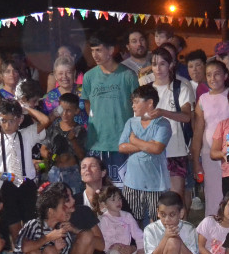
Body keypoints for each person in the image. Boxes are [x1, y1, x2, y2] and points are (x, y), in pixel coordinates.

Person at [0, 97, 48, 243]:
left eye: (11, 120)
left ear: (20, 120)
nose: (6, 125)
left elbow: (45, 121)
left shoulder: (27, 135)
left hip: (27, 186)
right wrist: (7, 176)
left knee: (32, 228)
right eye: (3, 120)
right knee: (15, 231)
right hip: (7, 187)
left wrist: (27, 109)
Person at [81, 33, 138, 187]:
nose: (95, 55)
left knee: (122, 188)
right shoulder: (89, 77)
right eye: (92, 50)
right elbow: (87, 104)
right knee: (97, 188)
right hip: (97, 143)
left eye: (99, 50)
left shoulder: (128, 75)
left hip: (121, 142)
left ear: (111, 50)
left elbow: (137, 108)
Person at [145, 48, 195, 208]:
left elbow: (187, 116)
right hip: (151, 151)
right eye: (154, 64)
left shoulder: (181, 88)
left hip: (175, 150)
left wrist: (163, 112)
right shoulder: (145, 90)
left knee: (176, 198)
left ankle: (179, 232)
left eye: (162, 64)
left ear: (171, 65)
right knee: (155, 199)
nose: (158, 69)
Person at [117, 84, 171, 225]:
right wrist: (147, 145)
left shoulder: (163, 124)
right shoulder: (131, 122)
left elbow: (157, 149)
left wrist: (134, 141)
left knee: (158, 222)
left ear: (150, 103)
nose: (133, 106)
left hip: (156, 184)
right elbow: (122, 147)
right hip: (132, 183)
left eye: (136, 101)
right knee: (132, 221)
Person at [193, 59, 229, 215]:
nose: (212, 78)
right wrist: (196, 162)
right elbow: (198, 131)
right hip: (209, 153)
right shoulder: (203, 99)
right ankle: (213, 230)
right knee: (213, 191)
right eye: (209, 75)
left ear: (225, 76)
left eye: (217, 74)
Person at [94, 184, 149, 254]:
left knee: (150, 252)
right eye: (113, 200)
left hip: (127, 252)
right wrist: (112, 247)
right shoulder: (103, 220)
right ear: (104, 204)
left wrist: (140, 248)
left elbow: (138, 233)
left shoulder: (127, 216)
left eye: (119, 199)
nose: (118, 202)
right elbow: (103, 239)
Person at [41, 92, 86, 192]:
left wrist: (73, 140)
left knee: (74, 201)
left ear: (77, 111)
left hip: (73, 173)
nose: (64, 114)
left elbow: (82, 156)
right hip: (54, 171)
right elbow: (43, 150)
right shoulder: (53, 128)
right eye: (62, 109)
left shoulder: (79, 130)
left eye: (69, 110)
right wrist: (53, 157)